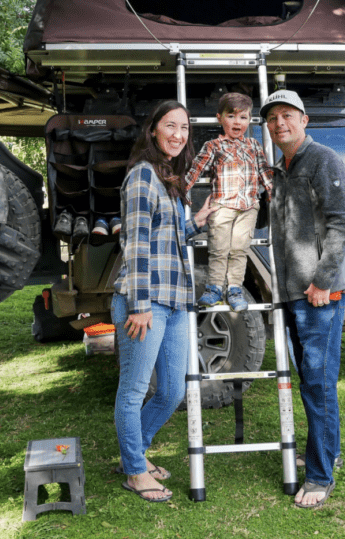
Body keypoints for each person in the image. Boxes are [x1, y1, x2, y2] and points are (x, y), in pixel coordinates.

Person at [111, 100, 214, 503]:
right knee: (134, 390)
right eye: (170, 126)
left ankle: (133, 453)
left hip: (174, 301)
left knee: (172, 391)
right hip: (146, 302)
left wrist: (196, 222)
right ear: (153, 130)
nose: (178, 134)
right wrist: (138, 305)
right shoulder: (142, 175)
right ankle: (135, 471)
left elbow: (166, 238)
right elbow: (136, 244)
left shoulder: (166, 178)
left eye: (184, 128)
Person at [261, 89, 345, 510]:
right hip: (292, 294)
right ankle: (328, 452)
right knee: (313, 381)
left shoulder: (322, 160)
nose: (279, 123)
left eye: (287, 115)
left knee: (318, 382)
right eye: (272, 118)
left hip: (319, 295)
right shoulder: (281, 169)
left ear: (304, 120)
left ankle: (319, 476)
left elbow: (342, 225)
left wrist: (321, 282)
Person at [185, 92, 273, 313]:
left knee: (239, 249)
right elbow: (196, 168)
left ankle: (234, 290)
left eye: (243, 117)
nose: (237, 122)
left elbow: (264, 171)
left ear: (249, 120)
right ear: (220, 118)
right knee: (219, 248)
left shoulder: (253, 145)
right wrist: (182, 190)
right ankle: (214, 287)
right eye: (231, 116)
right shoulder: (214, 145)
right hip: (222, 206)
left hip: (248, 207)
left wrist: (272, 190)